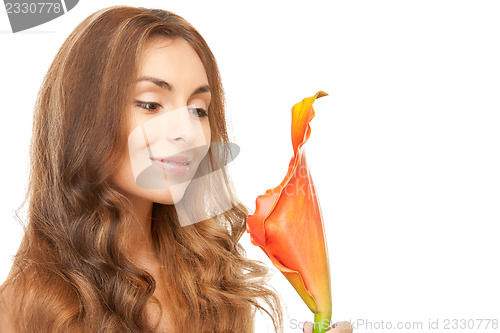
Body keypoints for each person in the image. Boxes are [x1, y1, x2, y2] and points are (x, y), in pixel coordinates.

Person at [0, 5, 352, 333]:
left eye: (199, 110)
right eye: (151, 104)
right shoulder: (23, 308)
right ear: (82, 120)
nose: (188, 132)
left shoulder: (213, 283)